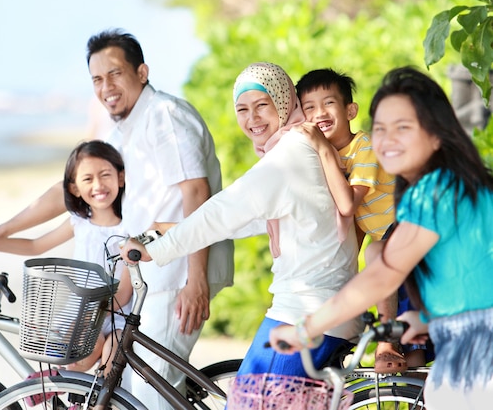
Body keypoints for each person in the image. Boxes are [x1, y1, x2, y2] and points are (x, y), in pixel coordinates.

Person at [0, 28, 234, 410]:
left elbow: (196, 194)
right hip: (145, 282)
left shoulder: (163, 116)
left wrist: (196, 280)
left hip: (176, 278)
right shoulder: (125, 130)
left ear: (142, 72)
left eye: (115, 73)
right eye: (97, 79)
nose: (106, 87)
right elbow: (69, 189)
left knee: (151, 401)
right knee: (130, 396)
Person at [120, 62, 363, 381]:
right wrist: (165, 231)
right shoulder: (302, 146)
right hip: (326, 306)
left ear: (285, 101)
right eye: (242, 109)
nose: (253, 118)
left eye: (263, 105)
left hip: (307, 311)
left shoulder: (290, 153)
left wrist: (161, 248)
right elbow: (249, 219)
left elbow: (225, 210)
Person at [269, 66, 493, 410]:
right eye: (381, 128)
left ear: (436, 134)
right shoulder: (452, 186)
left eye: (403, 127)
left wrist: (304, 329)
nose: (387, 140)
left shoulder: (436, 193)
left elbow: (382, 275)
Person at [0, 140, 131, 376]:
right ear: (74, 189)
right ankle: (63, 389)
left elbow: (123, 294)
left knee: (111, 359)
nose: (98, 185)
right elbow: (35, 245)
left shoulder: (129, 229)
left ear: (121, 178)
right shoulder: (80, 222)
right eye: (87, 179)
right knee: (76, 359)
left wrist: (89, 318)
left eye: (105, 175)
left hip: (116, 314)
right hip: (81, 312)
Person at [294, 68, 411, 373]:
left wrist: (321, 149)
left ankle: (387, 340)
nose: (319, 112)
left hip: (406, 221)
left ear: (350, 110)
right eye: (309, 107)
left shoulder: (364, 147)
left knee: (376, 257)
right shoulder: (326, 154)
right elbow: (355, 224)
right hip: (382, 230)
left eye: (328, 103)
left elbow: (351, 205)